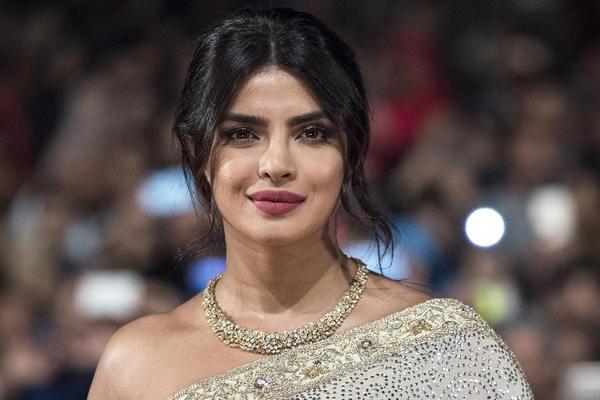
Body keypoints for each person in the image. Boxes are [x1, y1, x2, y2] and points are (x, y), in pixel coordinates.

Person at [88, 8, 533, 399]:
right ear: (198, 153)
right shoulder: (136, 365)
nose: (276, 164)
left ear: (352, 151)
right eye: (242, 134)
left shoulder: (444, 346)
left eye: (311, 134)